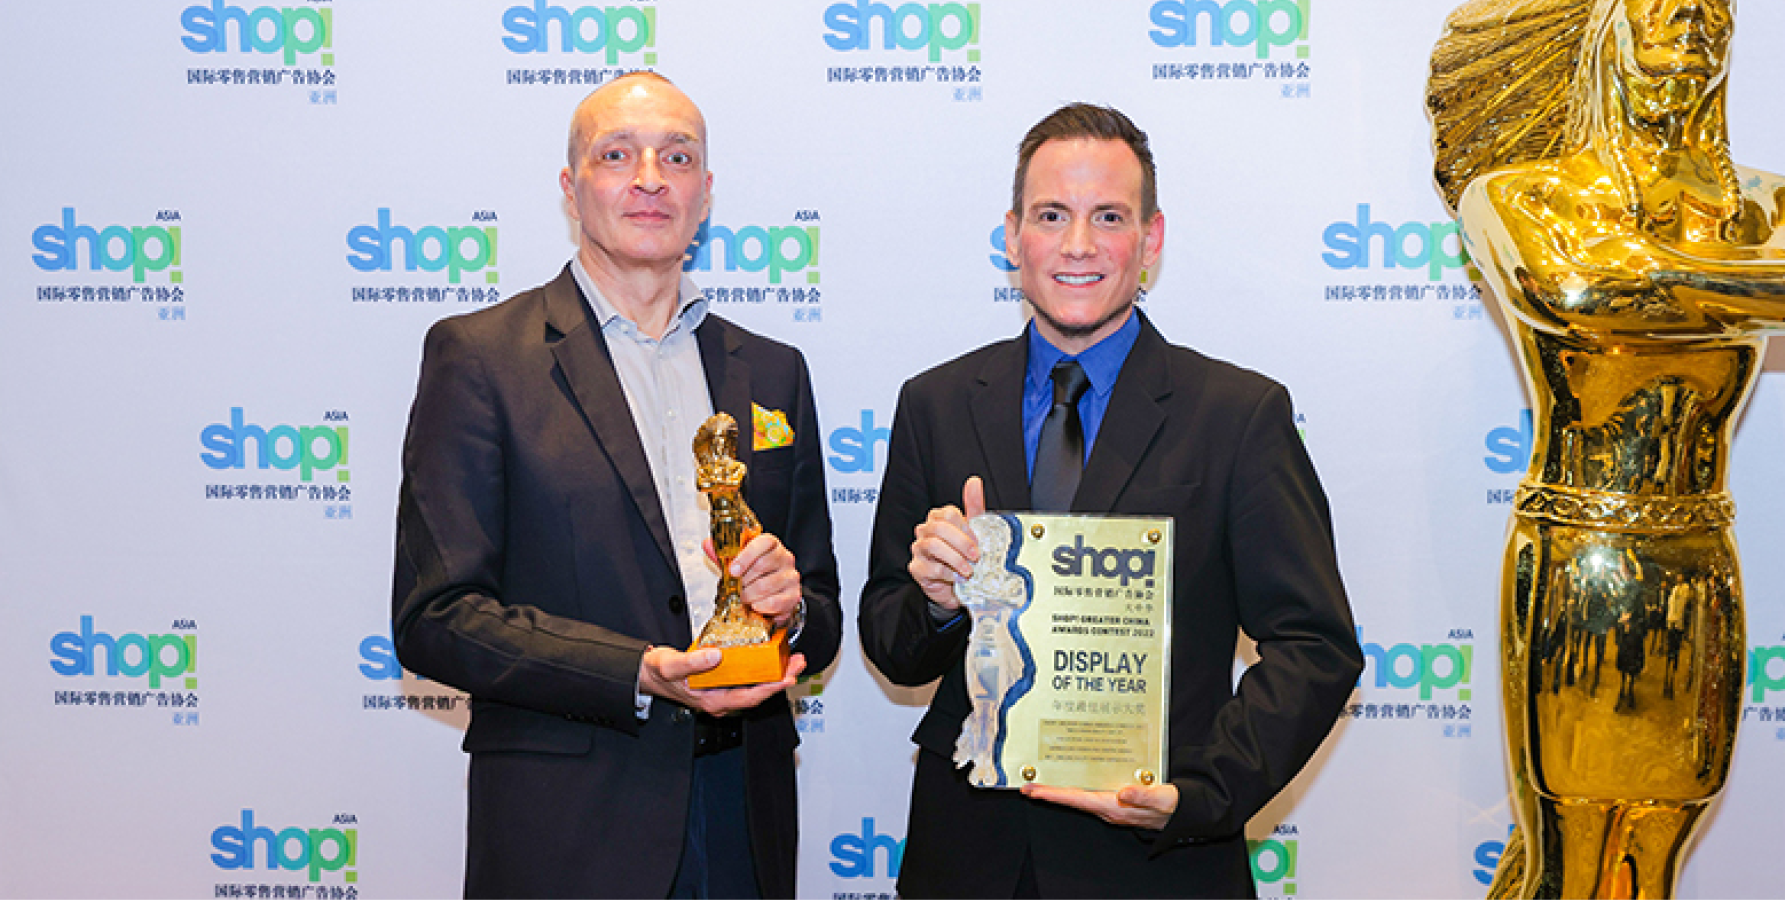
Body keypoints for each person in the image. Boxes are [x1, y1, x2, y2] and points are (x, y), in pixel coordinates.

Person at [857, 103, 1363, 899]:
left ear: (1150, 240)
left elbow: (1315, 646)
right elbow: (892, 642)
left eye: (1109, 217)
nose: (1078, 245)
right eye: (1050, 215)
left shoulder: (1236, 415)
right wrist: (937, 601)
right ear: (1012, 236)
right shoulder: (937, 403)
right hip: (970, 857)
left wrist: (1199, 791)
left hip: (1157, 864)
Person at [391, 71, 841, 899]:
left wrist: (790, 608)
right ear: (571, 189)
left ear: (705, 194)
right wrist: (635, 669)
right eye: (616, 155)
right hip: (569, 825)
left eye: (677, 157)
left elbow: (820, 603)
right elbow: (436, 618)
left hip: (742, 814)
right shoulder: (482, 358)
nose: (649, 178)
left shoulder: (775, 371)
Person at [1430, 0, 1785, 895]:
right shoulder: (1517, 196)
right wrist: (1729, 283)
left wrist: (1649, 271)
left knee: (1663, 832)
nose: (1689, 23)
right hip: (1576, 553)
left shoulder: (1760, 201)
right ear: (1605, 32)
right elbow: (1578, 294)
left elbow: (1621, 286)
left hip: (1698, 556)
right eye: (1659, 6)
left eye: (1709, 10)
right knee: (1572, 840)